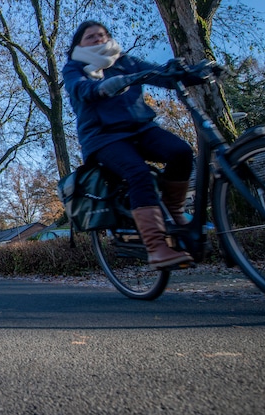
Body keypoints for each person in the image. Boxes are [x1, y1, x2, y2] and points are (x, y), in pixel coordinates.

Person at [63, 20, 201, 269]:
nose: (98, 39)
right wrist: (101, 87)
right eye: (91, 37)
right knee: (138, 173)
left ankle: (174, 208)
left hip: (141, 129)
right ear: (78, 44)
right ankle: (156, 247)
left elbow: (161, 75)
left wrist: (193, 74)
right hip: (104, 138)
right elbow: (79, 89)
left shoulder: (126, 61)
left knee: (181, 152)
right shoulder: (75, 67)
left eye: (103, 35)